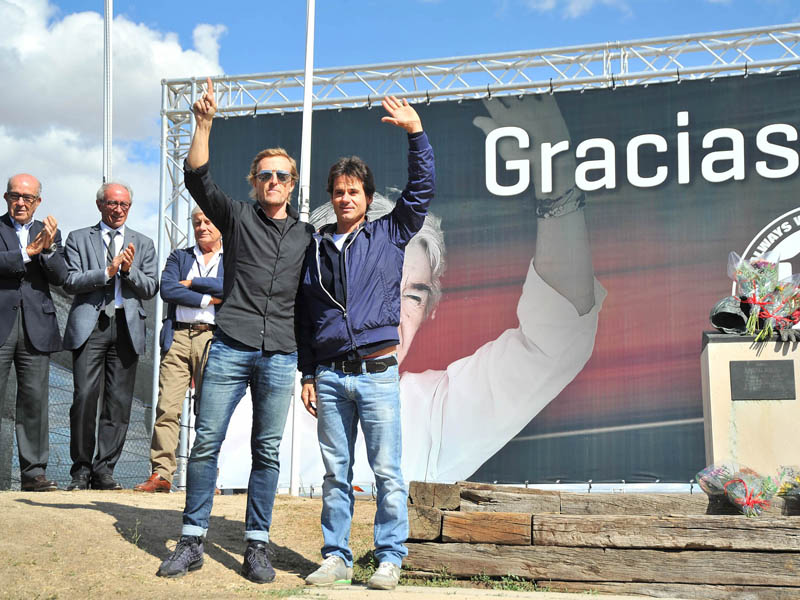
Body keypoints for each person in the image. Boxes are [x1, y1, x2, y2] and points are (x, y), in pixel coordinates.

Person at [157, 77, 314, 584]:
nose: (274, 181)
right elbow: (197, 178)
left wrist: (311, 368)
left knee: (266, 452)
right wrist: (203, 124)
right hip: (229, 346)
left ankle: (257, 545)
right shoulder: (237, 217)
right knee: (206, 441)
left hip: (281, 354)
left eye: (282, 176)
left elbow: (315, 301)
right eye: (266, 175)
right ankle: (191, 540)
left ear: (293, 184)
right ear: (254, 181)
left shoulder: (307, 236)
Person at [298, 96, 434, 591]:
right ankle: (336, 557)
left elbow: (421, 191)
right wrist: (308, 372)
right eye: (338, 192)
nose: (345, 198)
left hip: (377, 372)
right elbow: (305, 316)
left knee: (387, 472)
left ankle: (389, 559)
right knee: (336, 474)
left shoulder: (389, 233)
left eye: (353, 191)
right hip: (330, 376)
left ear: (368, 197)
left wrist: (416, 134)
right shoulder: (314, 248)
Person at [63, 181, 159, 491]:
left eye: (124, 205)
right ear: (100, 205)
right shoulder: (78, 238)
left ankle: (104, 470)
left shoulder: (143, 243)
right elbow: (70, 281)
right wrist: (107, 271)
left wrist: (128, 270)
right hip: (90, 326)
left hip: (126, 326)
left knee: (118, 402)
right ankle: (80, 470)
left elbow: (151, 287)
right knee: (84, 397)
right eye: (113, 203)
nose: (118, 209)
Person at [134, 206, 223, 493]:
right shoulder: (179, 256)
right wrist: (207, 299)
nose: (202, 227)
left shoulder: (232, 258)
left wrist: (194, 283)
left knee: (209, 412)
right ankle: (161, 473)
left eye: (207, 221)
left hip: (214, 338)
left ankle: (205, 477)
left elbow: (232, 287)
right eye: (197, 222)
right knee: (167, 407)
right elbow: (168, 290)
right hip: (178, 337)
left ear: (220, 226)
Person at [0, 174, 67, 491]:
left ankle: (33, 473)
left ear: (38, 202)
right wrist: (28, 252)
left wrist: (48, 249)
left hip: (36, 327)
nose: (21, 202)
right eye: (15, 196)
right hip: (2, 324)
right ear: (6, 198)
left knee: (34, 402)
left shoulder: (49, 232)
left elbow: (61, 277)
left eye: (28, 197)